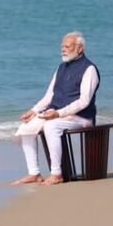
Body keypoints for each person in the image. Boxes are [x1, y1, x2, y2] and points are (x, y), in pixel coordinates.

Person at [12, 31, 100, 186]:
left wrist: (58, 113)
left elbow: (84, 101)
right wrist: (34, 111)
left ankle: (56, 174)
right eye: (62, 47)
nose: (63, 50)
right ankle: (34, 173)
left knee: (51, 126)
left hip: (81, 118)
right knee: (26, 127)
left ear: (80, 48)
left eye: (67, 46)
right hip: (58, 114)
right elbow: (49, 96)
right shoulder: (61, 67)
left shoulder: (89, 69)